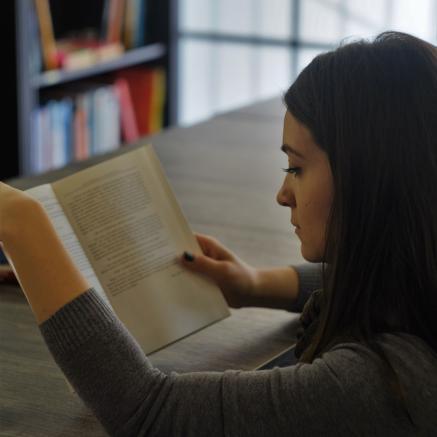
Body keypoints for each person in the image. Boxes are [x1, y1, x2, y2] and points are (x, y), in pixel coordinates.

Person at [1, 30, 437, 436]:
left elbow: (146, 410)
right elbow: (380, 276)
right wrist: (254, 283)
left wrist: (24, 224)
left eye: (296, 168)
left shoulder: (381, 383)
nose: (283, 195)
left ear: (371, 181)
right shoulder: (419, 287)